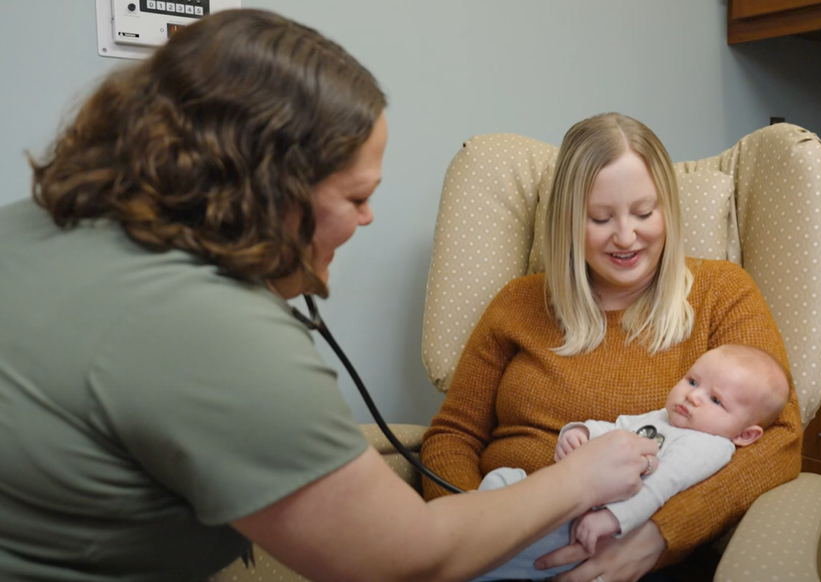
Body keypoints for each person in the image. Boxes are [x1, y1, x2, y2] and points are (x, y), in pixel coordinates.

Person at [0, 10, 661, 582]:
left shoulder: (26, 226)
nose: (366, 218)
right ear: (270, 193)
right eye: (356, 197)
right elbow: (405, 560)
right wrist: (576, 480)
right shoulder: (217, 332)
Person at [420, 112, 804, 582]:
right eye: (600, 218)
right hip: (496, 539)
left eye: (645, 213)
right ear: (566, 222)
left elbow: (781, 440)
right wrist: (473, 538)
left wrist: (655, 537)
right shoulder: (518, 303)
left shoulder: (721, 293)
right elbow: (452, 437)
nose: (626, 236)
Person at [468, 344, 790, 582]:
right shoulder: (663, 417)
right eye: (692, 382)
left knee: (503, 557)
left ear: (746, 435)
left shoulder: (710, 445)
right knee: (502, 481)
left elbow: (664, 484)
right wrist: (581, 433)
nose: (692, 396)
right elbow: (617, 426)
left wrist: (612, 518)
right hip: (563, 495)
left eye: (716, 400)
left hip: (587, 526)